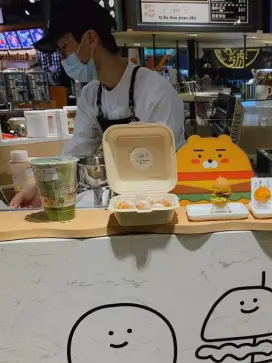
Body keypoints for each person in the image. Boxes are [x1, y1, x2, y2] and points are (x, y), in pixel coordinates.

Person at [11, 0, 185, 208]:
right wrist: (42, 186)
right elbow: (77, 152)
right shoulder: (91, 95)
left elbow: (161, 165)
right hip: (124, 199)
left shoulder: (155, 92)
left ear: (91, 39)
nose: (62, 58)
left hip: (166, 199)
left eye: (63, 47)